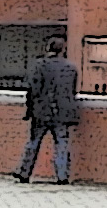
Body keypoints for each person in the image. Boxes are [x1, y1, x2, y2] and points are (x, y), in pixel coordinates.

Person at [15, 38, 79, 184]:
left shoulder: (40, 65)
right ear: (63, 50)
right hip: (63, 113)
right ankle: (62, 176)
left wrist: (30, 109)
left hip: (42, 112)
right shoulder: (71, 67)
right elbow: (72, 91)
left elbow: (33, 89)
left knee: (34, 142)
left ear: (48, 48)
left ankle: (24, 173)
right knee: (61, 144)